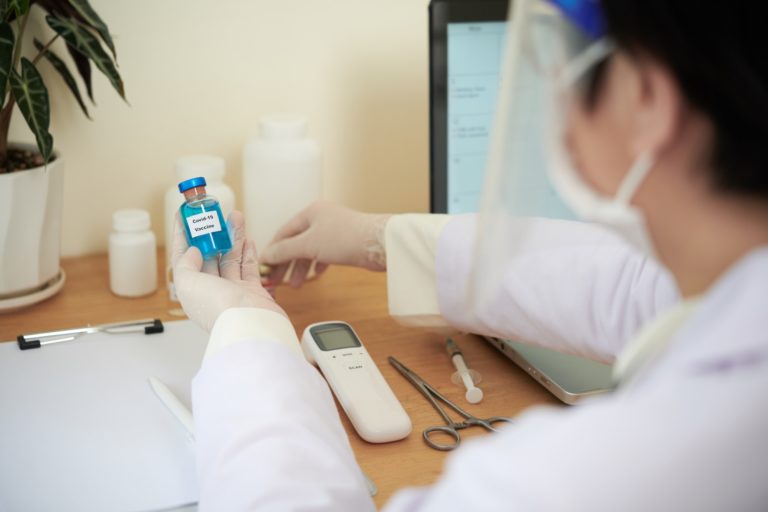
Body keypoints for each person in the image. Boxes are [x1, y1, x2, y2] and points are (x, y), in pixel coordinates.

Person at [172, 0, 768, 509]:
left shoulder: (607, 477)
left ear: (648, 102)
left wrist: (247, 329)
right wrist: (380, 238)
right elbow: (634, 285)